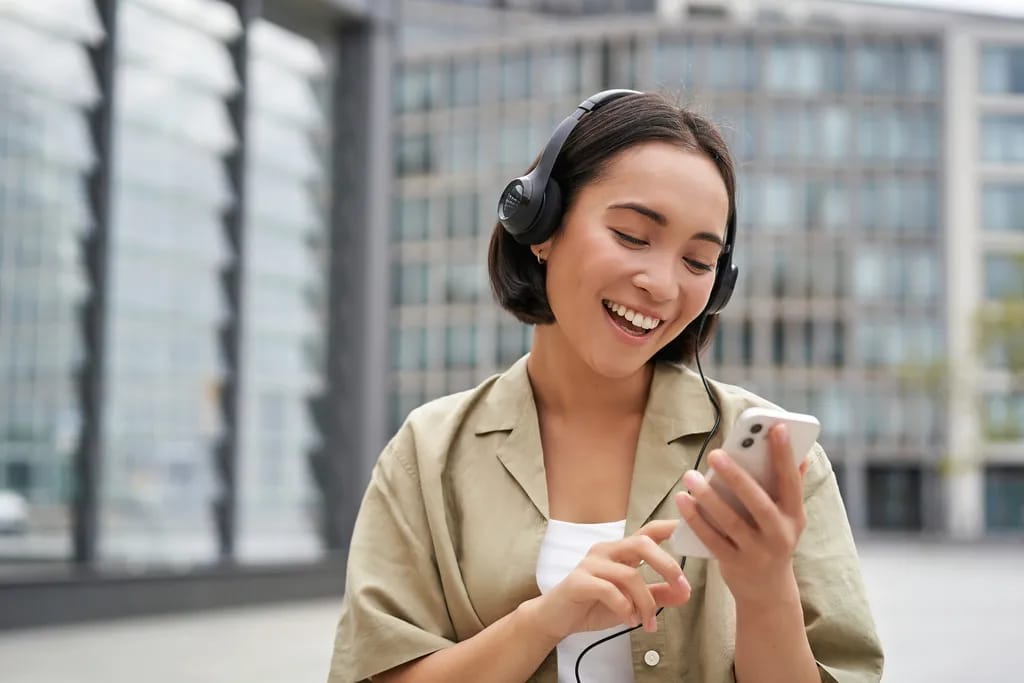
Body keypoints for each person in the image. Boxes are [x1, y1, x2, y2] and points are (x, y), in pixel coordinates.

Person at [328, 90, 884, 683]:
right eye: (632, 236)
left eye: (698, 263)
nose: (662, 284)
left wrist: (766, 588)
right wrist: (543, 621)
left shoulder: (771, 461)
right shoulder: (428, 452)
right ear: (541, 226)